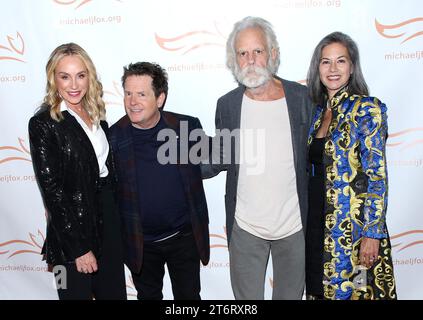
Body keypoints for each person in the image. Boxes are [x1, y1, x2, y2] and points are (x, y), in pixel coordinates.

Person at [202, 16, 313, 300]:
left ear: (272, 54)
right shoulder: (227, 105)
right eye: (242, 53)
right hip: (246, 229)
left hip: (294, 227)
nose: (250, 60)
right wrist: (173, 162)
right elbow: (219, 156)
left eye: (257, 51)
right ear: (233, 61)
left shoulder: (302, 99)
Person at [28, 43, 126, 300]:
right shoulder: (43, 123)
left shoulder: (98, 117)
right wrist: (79, 248)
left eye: (80, 75)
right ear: (53, 79)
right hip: (70, 232)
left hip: (108, 222)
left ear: (89, 77)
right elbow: (52, 191)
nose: (74, 85)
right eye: (65, 76)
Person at [305, 31, 397, 300]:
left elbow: (377, 177)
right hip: (316, 229)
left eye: (340, 61)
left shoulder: (367, 109)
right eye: (325, 62)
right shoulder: (317, 113)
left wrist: (372, 234)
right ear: (317, 68)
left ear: (352, 66)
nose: (333, 69)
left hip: (353, 234)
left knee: (357, 292)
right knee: (318, 291)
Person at [109, 62, 210, 300]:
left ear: (160, 98)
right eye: (128, 93)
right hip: (140, 243)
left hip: (184, 239)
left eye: (141, 94)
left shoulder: (186, 127)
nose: (132, 101)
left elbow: (210, 162)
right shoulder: (112, 138)